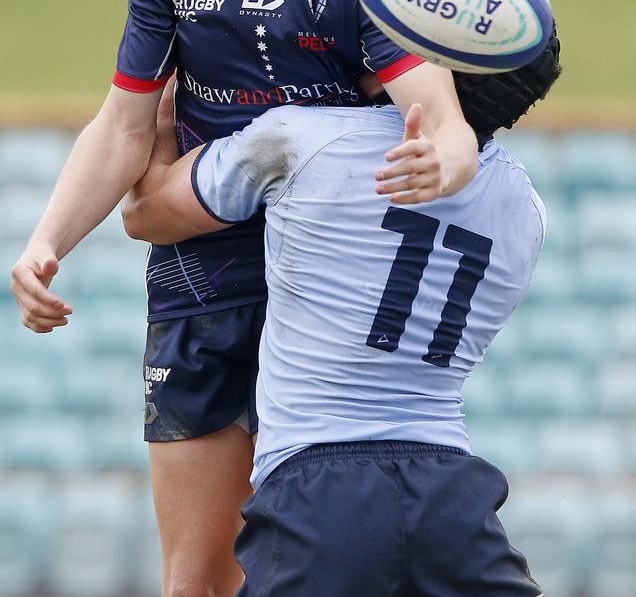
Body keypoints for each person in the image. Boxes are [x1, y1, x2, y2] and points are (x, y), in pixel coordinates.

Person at [10, 0, 478, 595]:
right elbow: (123, 124)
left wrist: (438, 161)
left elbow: (447, 123)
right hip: (194, 283)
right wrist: (47, 241)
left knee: (301, 574)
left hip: (315, 300)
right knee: (195, 581)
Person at [122, 31, 561, 596]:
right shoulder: (527, 208)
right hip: (453, 490)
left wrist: (161, 108)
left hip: (318, 489)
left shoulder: (303, 139)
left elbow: (147, 214)